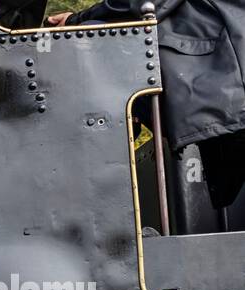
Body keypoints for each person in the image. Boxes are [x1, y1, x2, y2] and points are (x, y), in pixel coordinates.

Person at [46, 1, 245, 214]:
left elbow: (141, 4)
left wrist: (75, 22)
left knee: (93, 36)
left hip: (224, 73)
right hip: (223, 75)